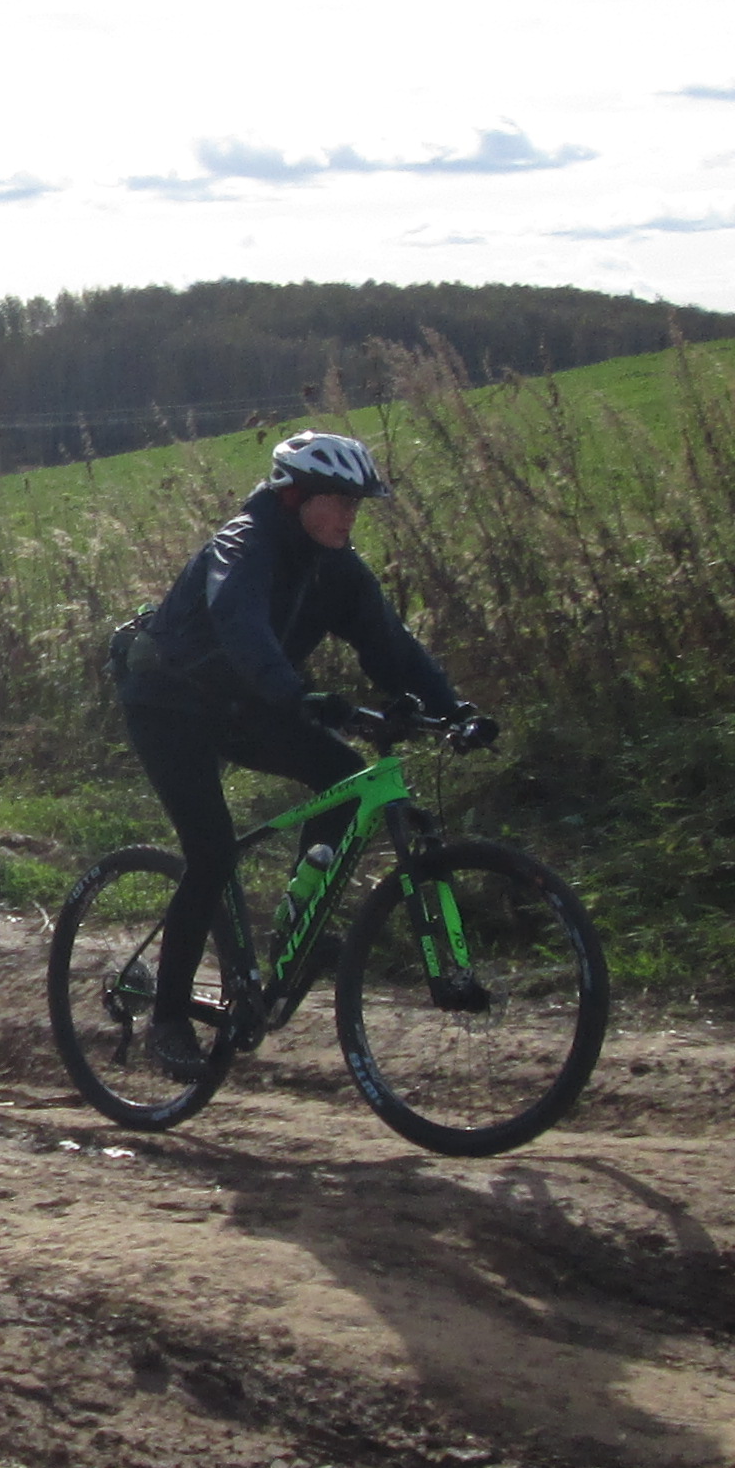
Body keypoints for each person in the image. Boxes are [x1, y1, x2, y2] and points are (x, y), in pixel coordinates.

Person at [113, 428, 492, 1073]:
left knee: (345, 776)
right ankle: (169, 1018)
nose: (350, 515)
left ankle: (299, 929)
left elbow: (391, 647)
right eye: (340, 501)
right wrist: (295, 694)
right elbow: (240, 623)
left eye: (356, 504)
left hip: (242, 705)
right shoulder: (245, 543)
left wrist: (454, 710)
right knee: (212, 852)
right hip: (169, 706)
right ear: (296, 497)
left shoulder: (335, 567)